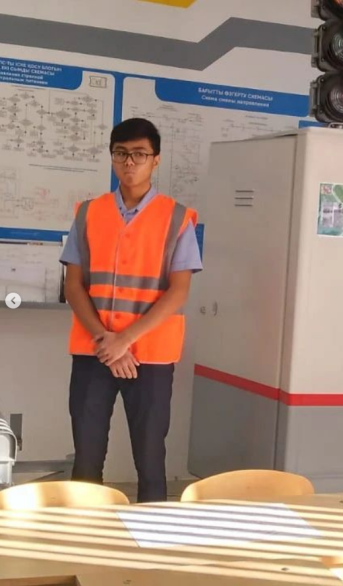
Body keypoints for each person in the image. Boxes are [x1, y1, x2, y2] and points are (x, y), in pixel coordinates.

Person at [60, 118, 202, 502]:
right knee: (87, 456)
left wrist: (125, 340)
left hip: (150, 356)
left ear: (156, 160)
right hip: (95, 352)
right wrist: (107, 341)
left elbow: (179, 291)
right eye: (121, 153)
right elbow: (73, 287)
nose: (129, 162)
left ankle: (152, 533)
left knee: (151, 458)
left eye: (139, 154)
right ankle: (85, 530)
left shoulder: (177, 218)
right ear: (111, 157)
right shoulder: (88, 213)